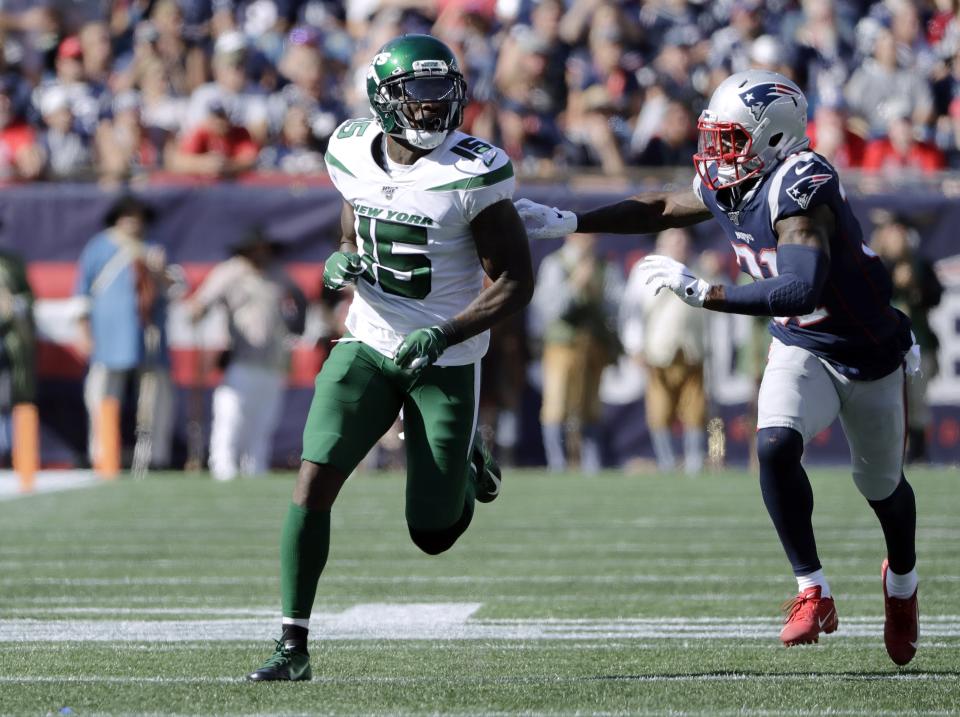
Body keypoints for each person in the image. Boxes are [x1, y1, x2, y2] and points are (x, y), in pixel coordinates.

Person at [516, 69, 921, 666]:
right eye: (714, 137)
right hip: (802, 347)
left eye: (729, 139)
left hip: (867, 353)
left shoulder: (802, 186)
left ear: (776, 138)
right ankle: (812, 588)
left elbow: (800, 288)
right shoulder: (735, 178)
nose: (715, 153)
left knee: (882, 489)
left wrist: (710, 295)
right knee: (775, 444)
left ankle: (903, 584)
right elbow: (662, 205)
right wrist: (573, 220)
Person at [247, 34, 533, 681]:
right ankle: (293, 645)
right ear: (384, 99)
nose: (434, 109)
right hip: (370, 340)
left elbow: (517, 281)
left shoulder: (473, 172)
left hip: (447, 357)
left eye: (443, 95)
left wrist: (446, 332)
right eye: (420, 95)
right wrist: (342, 254)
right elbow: (357, 211)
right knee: (313, 476)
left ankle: (466, 463)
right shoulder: (349, 149)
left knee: (432, 531)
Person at [187, 228, 307, 481]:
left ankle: (255, 468)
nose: (261, 253)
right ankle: (223, 466)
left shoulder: (276, 273)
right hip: (241, 356)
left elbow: (299, 297)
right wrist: (197, 311)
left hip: (274, 358)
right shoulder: (231, 271)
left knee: (264, 420)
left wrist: (298, 324)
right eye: (256, 248)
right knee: (231, 414)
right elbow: (204, 300)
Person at [74, 194, 174, 470]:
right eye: (127, 215)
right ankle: (102, 453)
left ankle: (154, 457)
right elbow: (82, 293)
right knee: (103, 395)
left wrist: (159, 271)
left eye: (137, 215)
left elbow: (176, 288)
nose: (133, 221)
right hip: (108, 337)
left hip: (149, 337)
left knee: (155, 399)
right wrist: (84, 332)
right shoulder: (99, 247)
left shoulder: (154, 248)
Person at [530, 233, 622, 474]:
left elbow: (615, 305)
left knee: (591, 407)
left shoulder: (604, 265)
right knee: (556, 404)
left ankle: (592, 464)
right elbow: (550, 309)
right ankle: (557, 463)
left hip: (594, 346)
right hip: (563, 344)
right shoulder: (556, 263)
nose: (591, 240)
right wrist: (576, 285)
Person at [620, 229, 707, 474]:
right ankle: (666, 461)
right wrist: (634, 346)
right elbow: (632, 311)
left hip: (692, 348)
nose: (680, 244)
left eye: (683, 240)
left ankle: (694, 462)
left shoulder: (699, 266)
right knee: (659, 410)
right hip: (658, 350)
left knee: (695, 410)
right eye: (675, 240)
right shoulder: (645, 269)